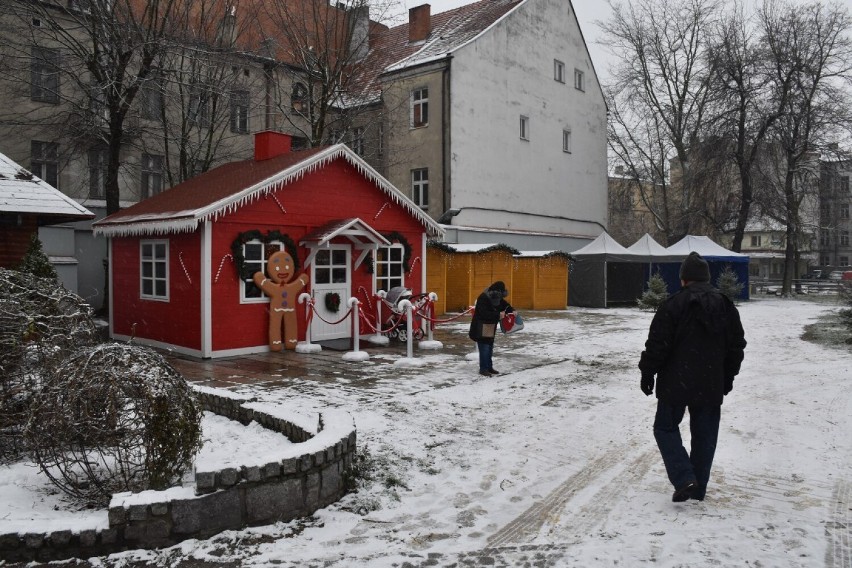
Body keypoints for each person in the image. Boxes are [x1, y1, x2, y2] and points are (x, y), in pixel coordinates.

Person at [638, 252, 746, 502]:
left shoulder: (673, 304)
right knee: (705, 434)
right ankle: (697, 486)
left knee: (665, 428)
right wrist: (728, 375)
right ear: (706, 278)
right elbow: (736, 345)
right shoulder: (725, 305)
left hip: (676, 380)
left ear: (684, 279)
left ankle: (684, 476)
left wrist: (647, 371)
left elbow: (658, 344)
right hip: (710, 381)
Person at [469, 281, 513, 376]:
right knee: (485, 347)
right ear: (496, 292)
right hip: (481, 326)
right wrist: (498, 315)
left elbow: (504, 305)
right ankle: (483, 369)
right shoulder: (483, 298)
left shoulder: (496, 296)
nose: (500, 298)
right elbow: (484, 313)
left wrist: (512, 310)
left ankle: (489, 367)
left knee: (489, 347)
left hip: (490, 326)